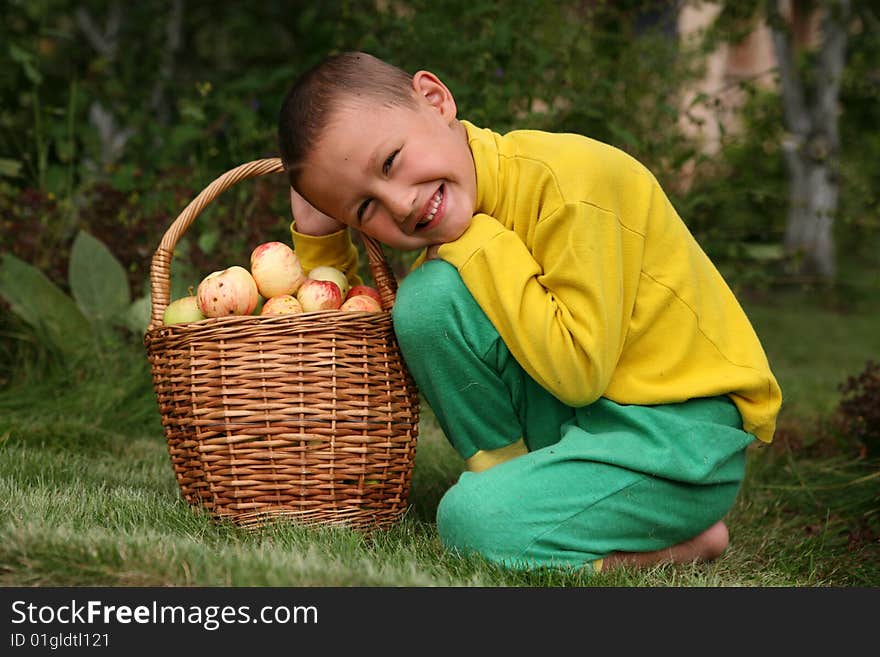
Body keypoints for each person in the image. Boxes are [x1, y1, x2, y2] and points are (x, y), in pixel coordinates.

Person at [277, 51, 783, 573]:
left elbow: (578, 372)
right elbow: (365, 339)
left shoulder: (573, 186)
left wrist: (478, 240)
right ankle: (513, 484)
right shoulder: (460, 209)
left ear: (436, 100)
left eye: (390, 163)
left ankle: (676, 543)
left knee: (470, 525)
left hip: (676, 440)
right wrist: (320, 242)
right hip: (591, 419)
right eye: (365, 209)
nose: (400, 204)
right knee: (428, 301)